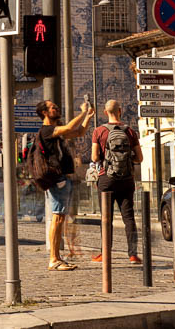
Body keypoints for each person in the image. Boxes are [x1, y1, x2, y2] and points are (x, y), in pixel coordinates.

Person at [37, 99, 93, 271]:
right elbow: (69, 127)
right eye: (53, 107)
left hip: (63, 179)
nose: (57, 108)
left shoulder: (56, 133)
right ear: (45, 113)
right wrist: (82, 112)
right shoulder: (47, 131)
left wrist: (88, 117)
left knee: (60, 218)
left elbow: (78, 132)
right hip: (57, 181)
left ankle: (57, 257)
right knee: (57, 217)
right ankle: (53, 259)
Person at [90, 100, 142, 265]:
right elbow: (139, 158)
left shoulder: (99, 131)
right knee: (129, 217)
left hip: (106, 179)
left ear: (105, 112)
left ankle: (105, 253)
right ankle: (133, 254)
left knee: (106, 218)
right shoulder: (130, 132)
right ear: (120, 111)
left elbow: (94, 157)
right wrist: (126, 160)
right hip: (126, 179)